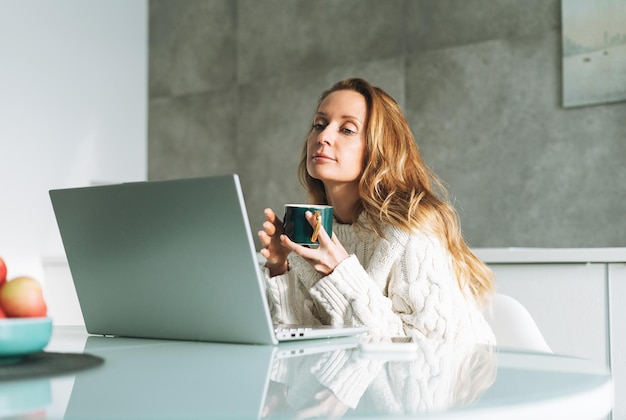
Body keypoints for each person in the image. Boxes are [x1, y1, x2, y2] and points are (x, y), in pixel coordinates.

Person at [258, 78, 495, 345]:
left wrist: (341, 273)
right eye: (319, 125)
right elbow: (311, 342)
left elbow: (428, 354)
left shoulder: (411, 230)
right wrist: (280, 269)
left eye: (347, 129)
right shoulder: (315, 232)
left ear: (378, 149)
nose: (323, 137)